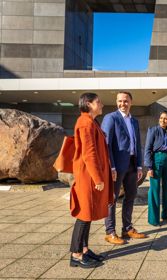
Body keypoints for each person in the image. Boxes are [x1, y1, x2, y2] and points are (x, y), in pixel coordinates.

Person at [69, 93, 113, 268]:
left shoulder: (91, 122)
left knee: (88, 214)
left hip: (90, 175)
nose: (101, 104)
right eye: (98, 102)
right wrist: (98, 178)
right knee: (84, 214)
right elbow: (89, 153)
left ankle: (84, 249)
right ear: (88, 103)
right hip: (88, 176)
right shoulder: (85, 122)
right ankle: (76, 254)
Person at [101, 91, 146, 245]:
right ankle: (110, 232)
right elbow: (105, 145)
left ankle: (127, 228)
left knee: (131, 195)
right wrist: (111, 166)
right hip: (117, 166)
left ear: (131, 102)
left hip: (132, 164)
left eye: (125, 101)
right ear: (116, 102)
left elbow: (137, 144)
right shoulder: (111, 118)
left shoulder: (134, 121)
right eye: (120, 101)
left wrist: (139, 165)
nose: (122, 104)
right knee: (111, 199)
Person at [144, 111, 167, 226]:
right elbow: (148, 148)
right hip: (156, 160)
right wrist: (149, 167)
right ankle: (154, 219)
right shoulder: (153, 130)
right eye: (161, 118)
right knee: (155, 190)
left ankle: (166, 215)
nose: (162, 120)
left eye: (165, 119)